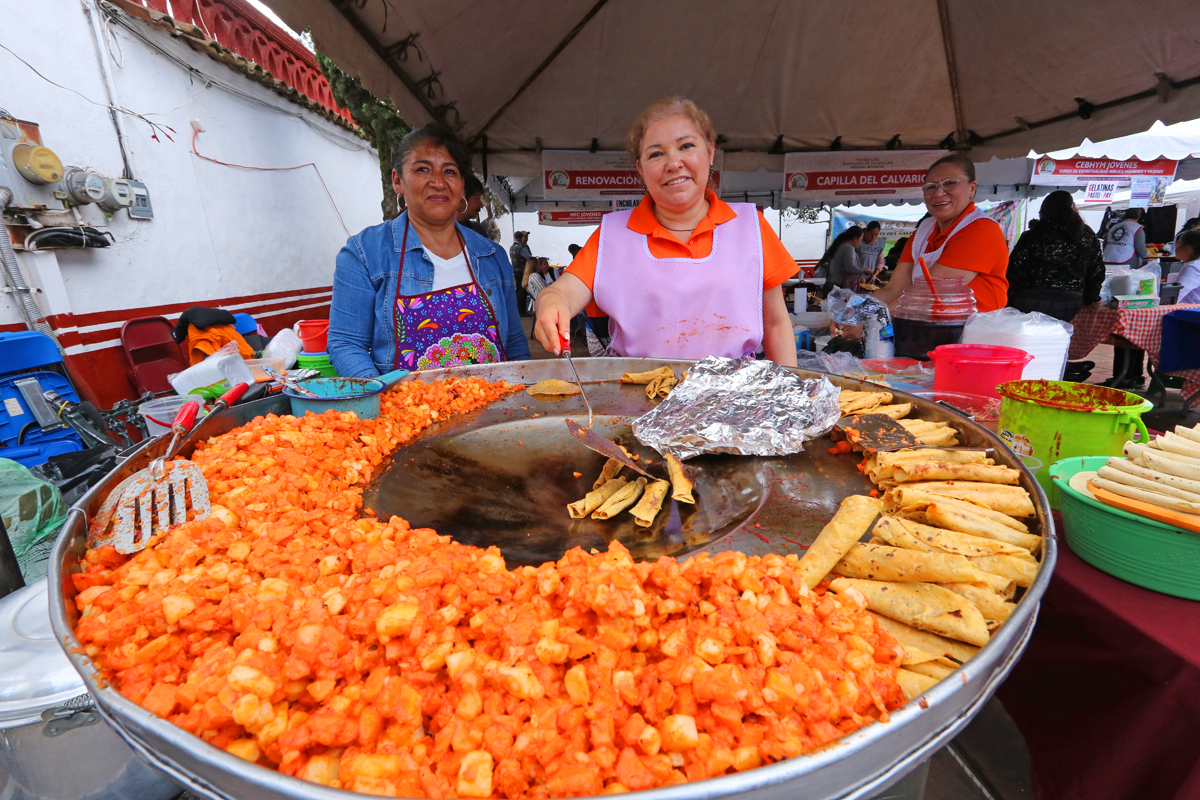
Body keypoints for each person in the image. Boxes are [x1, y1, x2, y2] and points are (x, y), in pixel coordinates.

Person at [534, 97, 799, 365]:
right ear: (640, 169)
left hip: (733, 398)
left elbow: (776, 324)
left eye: (686, 146)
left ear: (709, 152)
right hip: (638, 397)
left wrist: (792, 394)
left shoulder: (750, 226)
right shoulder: (612, 235)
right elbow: (563, 293)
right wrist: (550, 301)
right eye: (656, 154)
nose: (673, 163)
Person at [328, 123, 530, 376]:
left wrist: (523, 395)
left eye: (450, 171)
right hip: (408, 411)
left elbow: (514, 343)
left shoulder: (492, 255)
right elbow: (346, 344)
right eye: (423, 169)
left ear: (461, 186)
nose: (438, 182)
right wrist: (384, 403)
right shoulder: (365, 253)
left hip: (495, 409)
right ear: (397, 181)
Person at [871, 153, 1009, 313]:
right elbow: (894, 289)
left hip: (975, 331)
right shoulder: (921, 233)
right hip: (927, 327)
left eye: (949, 183)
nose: (938, 193)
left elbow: (927, 294)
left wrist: (873, 323)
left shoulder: (982, 229)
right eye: (930, 186)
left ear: (972, 188)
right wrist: (856, 314)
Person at [1005, 190, 1105, 322]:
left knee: (1027, 341)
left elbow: (1014, 270)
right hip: (1071, 303)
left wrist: (1008, 301)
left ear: (1043, 212)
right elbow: (1096, 270)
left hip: (1030, 300)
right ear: (1073, 208)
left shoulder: (1032, 236)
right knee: (1062, 341)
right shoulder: (1086, 235)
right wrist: (1092, 298)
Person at [817, 226, 865, 294]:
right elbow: (850, 268)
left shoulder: (841, 245)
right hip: (838, 286)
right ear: (855, 239)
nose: (860, 242)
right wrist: (863, 270)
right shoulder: (848, 247)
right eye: (860, 239)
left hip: (831, 283)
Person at [457, 173, 490, 239]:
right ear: (461, 199)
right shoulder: (441, 232)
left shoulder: (478, 230)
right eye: (477, 198)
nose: (481, 205)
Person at [509, 231, 533, 317]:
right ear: (520, 238)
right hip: (523, 271)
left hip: (515, 271)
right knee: (522, 291)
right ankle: (522, 311)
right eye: (525, 237)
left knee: (518, 290)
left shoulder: (512, 247)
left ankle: (518, 309)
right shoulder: (521, 247)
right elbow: (530, 257)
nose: (526, 239)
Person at [1173, 228, 1200, 304]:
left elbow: (1175, 296)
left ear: (1186, 248)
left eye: (1178, 245)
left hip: (1192, 313)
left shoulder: (1193, 268)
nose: (1176, 248)